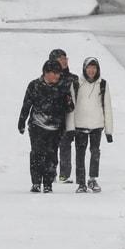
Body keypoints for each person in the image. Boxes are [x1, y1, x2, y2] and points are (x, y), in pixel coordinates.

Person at [19, 59, 74, 193]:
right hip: (37, 125)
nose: (57, 76)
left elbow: (70, 108)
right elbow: (26, 104)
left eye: (58, 73)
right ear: (45, 73)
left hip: (55, 128)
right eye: (54, 73)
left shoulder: (62, 87)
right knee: (37, 154)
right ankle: (36, 182)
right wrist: (21, 121)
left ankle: (48, 183)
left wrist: (68, 102)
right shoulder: (34, 85)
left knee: (51, 156)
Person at [66, 57, 114, 193]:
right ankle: (81, 183)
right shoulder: (76, 83)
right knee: (79, 155)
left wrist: (109, 130)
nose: (91, 70)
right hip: (80, 125)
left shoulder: (102, 84)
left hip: (97, 125)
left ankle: (92, 179)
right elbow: (71, 107)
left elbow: (108, 107)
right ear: (84, 68)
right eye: (89, 67)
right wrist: (70, 128)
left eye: (94, 67)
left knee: (95, 152)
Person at [48, 49, 80, 183]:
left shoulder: (73, 78)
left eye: (65, 58)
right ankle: (50, 174)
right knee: (51, 146)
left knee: (65, 145)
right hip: (52, 117)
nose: (64, 61)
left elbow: (78, 98)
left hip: (69, 118)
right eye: (61, 59)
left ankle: (64, 175)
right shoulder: (49, 78)